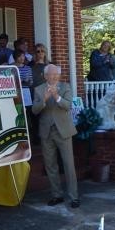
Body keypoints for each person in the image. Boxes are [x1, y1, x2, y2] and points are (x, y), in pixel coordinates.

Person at [32, 64, 79, 208]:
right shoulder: (39, 89)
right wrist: (44, 100)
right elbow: (34, 110)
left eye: (55, 74)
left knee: (68, 164)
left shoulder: (65, 87)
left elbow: (67, 105)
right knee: (50, 165)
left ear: (58, 75)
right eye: (49, 74)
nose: (52, 77)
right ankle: (56, 194)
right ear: (45, 76)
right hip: (46, 131)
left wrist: (56, 96)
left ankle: (74, 197)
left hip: (63, 131)